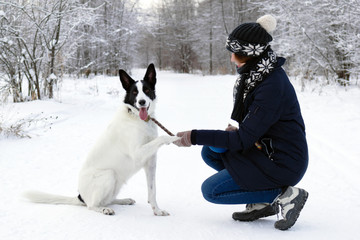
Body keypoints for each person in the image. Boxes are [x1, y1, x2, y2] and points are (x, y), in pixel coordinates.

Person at [173, 15, 309, 231]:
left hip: (283, 162)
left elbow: (242, 140)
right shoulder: (257, 75)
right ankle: (261, 201)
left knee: (211, 191)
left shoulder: (271, 86)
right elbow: (249, 132)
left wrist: (194, 136)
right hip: (265, 151)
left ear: (251, 55)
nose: (232, 59)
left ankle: (283, 193)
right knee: (211, 151)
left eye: (236, 54)